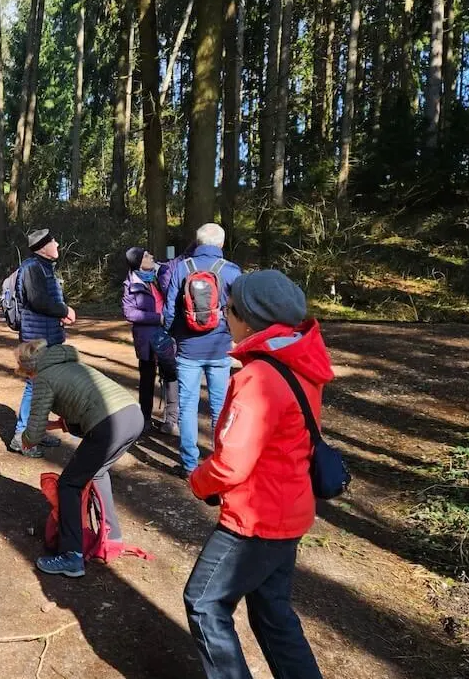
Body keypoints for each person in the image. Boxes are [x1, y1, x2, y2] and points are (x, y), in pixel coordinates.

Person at [183, 270, 328, 679]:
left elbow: (231, 464)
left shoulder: (258, 377)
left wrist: (198, 480)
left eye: (228, 309)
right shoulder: (297, 359)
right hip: (290, 508)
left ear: (248, 318)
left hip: (257, 519)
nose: (224, 316)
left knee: (204, 601)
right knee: (272, 614)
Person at [15, 339, 142, 578]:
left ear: (28, 368)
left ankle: (71, 556)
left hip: (109, 425)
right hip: (133, 416)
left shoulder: (43, 376)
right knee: (97, 472)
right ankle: (111, 537)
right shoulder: (70, 363)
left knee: (69, 484)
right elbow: (85, 402)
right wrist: (60, 424)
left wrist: (28, 439)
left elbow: (35, 424)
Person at [163, 223, 241, 477]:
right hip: (219, 349)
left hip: (187, 350)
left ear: (197, 243)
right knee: (219, 406)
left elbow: (169, 313)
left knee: (187, 406)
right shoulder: (230, 271)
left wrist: (176, 336)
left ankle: (189, 464)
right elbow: (240, 311)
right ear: (220, 244)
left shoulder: (181, 268)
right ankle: (220, 459)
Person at [8, 229, 76, 458]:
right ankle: (20, 437)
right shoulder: (31, 268)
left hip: (49, 335)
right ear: (43, 247)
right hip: (36, 339)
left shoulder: (45, 267)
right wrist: (65, 310)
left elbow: (47, 301)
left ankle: (37, 430)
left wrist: (60, 314)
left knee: (45, 386)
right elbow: (38, 301)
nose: (57, 243)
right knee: (34, 386)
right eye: (53, 241)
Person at [122, 246, 179, 435]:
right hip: (147, 339)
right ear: (139, 262)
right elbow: (129, 313)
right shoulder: (131, 284)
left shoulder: (162, 273)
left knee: (171, 375)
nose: (151, 256)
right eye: (146, 256)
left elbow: (179, 261)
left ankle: (171, 420)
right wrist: (158, 318)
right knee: (147, 379)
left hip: (167, 335)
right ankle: (145, 419)